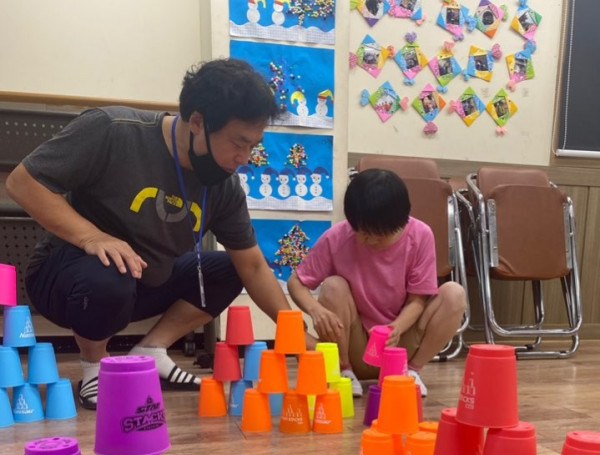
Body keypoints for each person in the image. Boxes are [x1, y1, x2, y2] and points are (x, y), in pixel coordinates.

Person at [6, 58, 295, 410]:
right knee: (112, 269)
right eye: (239, 143)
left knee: (231, 269)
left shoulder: (224, 186)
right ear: (198, 121)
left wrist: (296, 334)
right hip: (67, 279)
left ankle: (152, 349)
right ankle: (94, 365)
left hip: (143, 282)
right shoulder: (113, 130)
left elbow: (254, 267)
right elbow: (22, 183)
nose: (245, 157)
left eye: (253, 145)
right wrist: (93, 237)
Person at [287, 168, 466, 398]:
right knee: (333, 286)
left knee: (454, 294)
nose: (366, 240)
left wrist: (396, 328)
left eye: (377, 235)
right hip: (353, 345)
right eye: (360, 231)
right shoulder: (339, 236)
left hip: (399, 343)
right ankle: (343, 371)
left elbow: (417, 301)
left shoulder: (420, 235)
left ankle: (412, 371)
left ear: (400, 223)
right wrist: (315, 310)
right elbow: (296, 282)